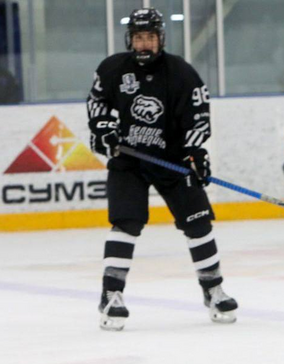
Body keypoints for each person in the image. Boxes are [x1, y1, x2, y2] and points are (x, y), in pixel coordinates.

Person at [87, 8, 237, 331]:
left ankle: (213, 290)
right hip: (129, 161)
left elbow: (198, 116)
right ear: (130, 39)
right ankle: (111, 295)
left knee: (198, 222)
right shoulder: (113, 69)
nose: (144, 44)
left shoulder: (181, 73)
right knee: (126, 223)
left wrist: (195, 153)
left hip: (171, 159)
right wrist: (103, 129)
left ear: (161, 39)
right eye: (139, 37)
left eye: (150, 37)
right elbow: (97, 102)